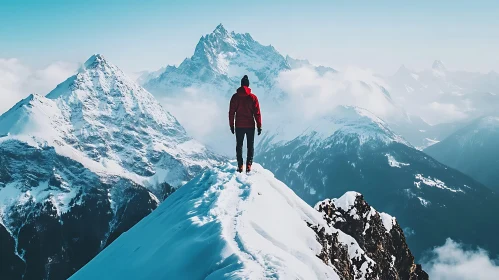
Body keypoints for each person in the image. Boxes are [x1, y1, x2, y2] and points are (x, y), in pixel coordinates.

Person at [229, 75, 262, 173]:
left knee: (239, 146)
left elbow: (231, 112)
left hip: (239, 126)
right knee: (250, 146)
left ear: (241, 84)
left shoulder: (235, 97)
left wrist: (232, 125)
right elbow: (257, 113)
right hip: (250, 126)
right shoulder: (253, 97)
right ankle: (248, 165)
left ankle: (240, 166)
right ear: (248, 85)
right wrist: (259, 126)